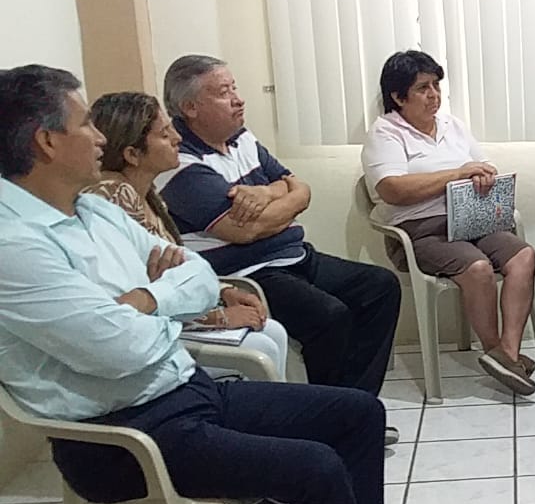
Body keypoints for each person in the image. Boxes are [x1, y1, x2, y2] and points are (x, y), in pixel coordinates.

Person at [0, 65, 473, 504]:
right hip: (121, 437)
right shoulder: (15, 246)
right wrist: (162, 304)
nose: (100, 136)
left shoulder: (92, 209)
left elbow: (199, 275)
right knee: (316, 467)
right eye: (84, 124)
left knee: (358, 415)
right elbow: (118, 350)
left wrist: (147, 300)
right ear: (46, 142)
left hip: (183, 392)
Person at [156, 54, 402, 401]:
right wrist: (284, 196)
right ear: (190, 107)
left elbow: (302, 190)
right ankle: (332, 411)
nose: (238, 99)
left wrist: (266, 193)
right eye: (224, 92)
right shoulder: (180, 163)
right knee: (329, 317)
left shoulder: (241, 137)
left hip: (294, 255)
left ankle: (357, 403)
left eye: (235, 88)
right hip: (247, 272)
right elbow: (244, 231)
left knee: (380, 287)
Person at [360, 50, 535, 395]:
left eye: (436, 85)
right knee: (478, 268)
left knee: (523, 256)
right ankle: (497, 352)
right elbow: (392, 189)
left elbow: (483, 164)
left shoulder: (452, 125)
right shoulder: (385, 133)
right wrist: (456, 174)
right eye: (422, 88)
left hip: (472, 219)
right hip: (419, 231)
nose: (434, 95)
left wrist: (483, 175)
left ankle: (507, 352)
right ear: (398, 97)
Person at [84, 91, 289, 381]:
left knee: (272, 332)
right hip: (150, 329)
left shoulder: (148, 193)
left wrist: (223, 292)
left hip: (177, 309)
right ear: (132, 154)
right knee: (261, 346)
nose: (177, 139)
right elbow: (144, 292)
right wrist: (218, 318)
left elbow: (178, 268)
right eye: (165, 134)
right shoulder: (115, 194)